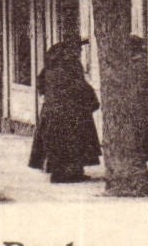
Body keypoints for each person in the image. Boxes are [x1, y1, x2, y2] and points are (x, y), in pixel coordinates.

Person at [28, 39, 102, 183]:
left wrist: (50, 95)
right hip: (70, 112)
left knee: (56, 143)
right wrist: (91, 100)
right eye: (78, 50)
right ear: (71, 51)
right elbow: (80, 86)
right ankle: (67, 174)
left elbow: (40, 84)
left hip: (51, 111)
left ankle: (62, 172)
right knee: (73, 142)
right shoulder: (72, 65)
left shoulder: (50, 65)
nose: (80, 52)